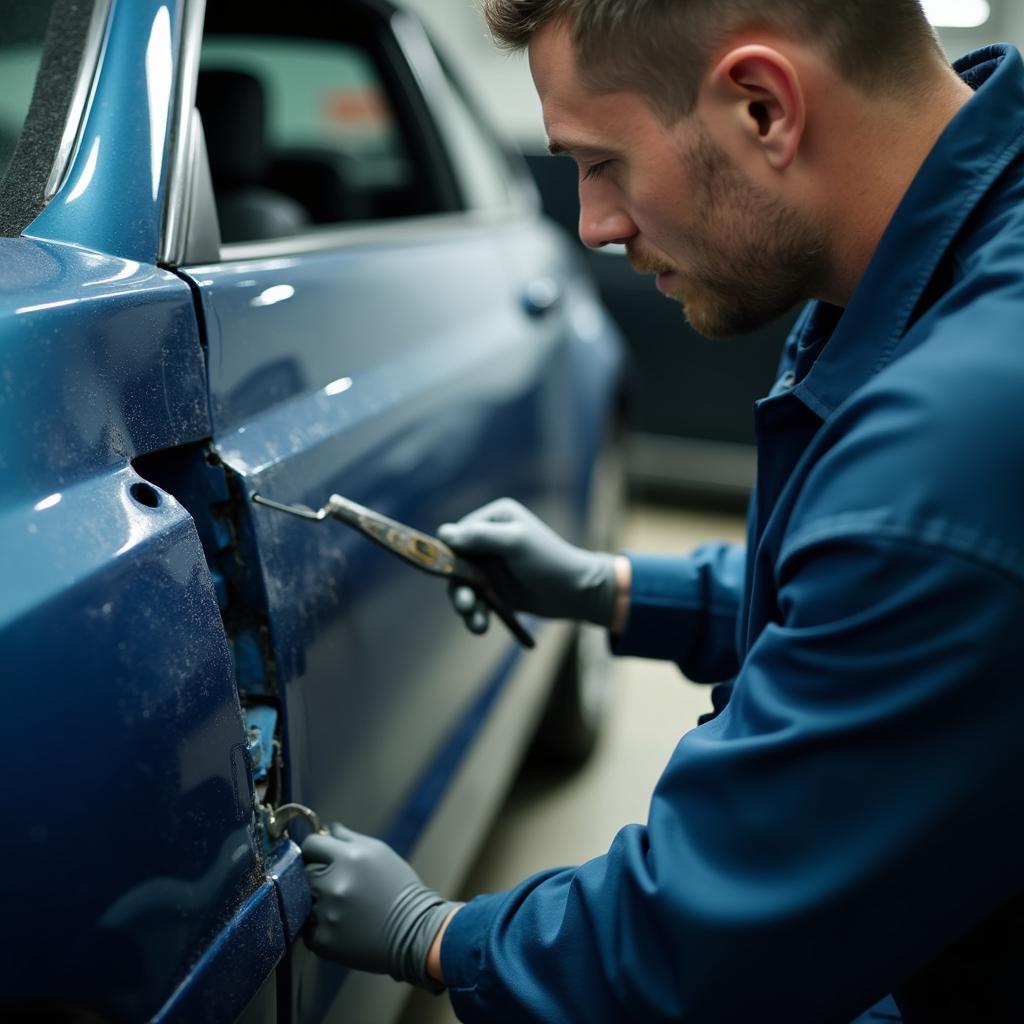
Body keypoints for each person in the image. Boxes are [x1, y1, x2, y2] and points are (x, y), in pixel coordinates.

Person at [299, 1, 1024, 1019]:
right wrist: (617, 589)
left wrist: (435, 935)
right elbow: (876, 608)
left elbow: (703, 943)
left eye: (600, 162)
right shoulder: (937, 271)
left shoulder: (956, 431)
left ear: (762, 107)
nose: (593, 225)